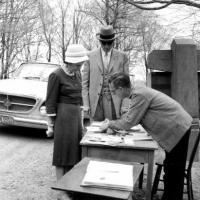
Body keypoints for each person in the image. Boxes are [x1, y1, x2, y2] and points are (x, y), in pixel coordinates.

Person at [100, 72, 193, 200]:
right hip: (176, 127)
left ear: (121, 89)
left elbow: (129, 122)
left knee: (174, 171)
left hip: (178, 128)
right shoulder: (137, 92)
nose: (113, 93)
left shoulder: (139, 94)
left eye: (113, 91)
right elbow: (131, 116)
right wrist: (114, 124)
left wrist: (109, 124)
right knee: (171, 168)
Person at [45, 44, 88, 200]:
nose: (80, 67)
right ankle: (60, 190)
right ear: (69, 62)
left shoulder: (78, 74)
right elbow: (50, 102)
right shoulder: (56, 75)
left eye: (81, 64)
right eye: (78, 64)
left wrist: (82, 122)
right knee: (62, 154)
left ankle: (69, 186)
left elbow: (80, 98)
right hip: (62, 118)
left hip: (76, 117)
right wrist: (50, 125)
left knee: (74, 152)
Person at [81, 25, 129, 122]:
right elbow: (85, 83)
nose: (106, 46)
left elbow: (126, 84)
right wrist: (86, 104)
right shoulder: (90, 56)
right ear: (100, 41)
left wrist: (125, 105)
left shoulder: (122, 57)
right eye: (104, 43)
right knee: (95, 132)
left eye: (109, 43)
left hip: (115, 102)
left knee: (113, 131)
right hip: (95, 103)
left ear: (113, 41)